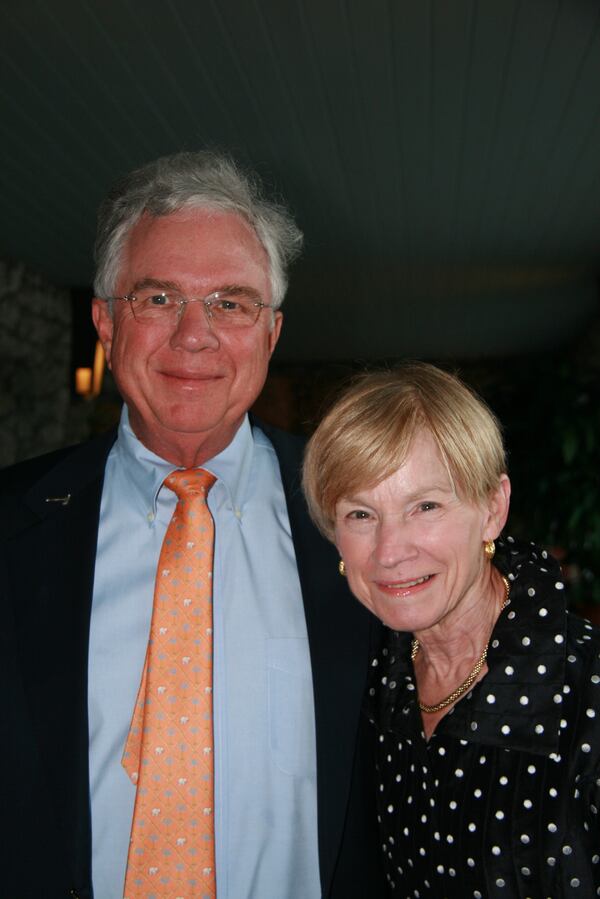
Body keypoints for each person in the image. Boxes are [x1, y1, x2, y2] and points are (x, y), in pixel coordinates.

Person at [0, 152, 385, 898]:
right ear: (106, 321)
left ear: (271, 332)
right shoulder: (11, 526)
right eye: (158, 298)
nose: (194, 335)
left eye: (231, 303)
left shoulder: (360, 516)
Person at [303, 361, 600, 897]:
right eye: (361, 515)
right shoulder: (371, 679)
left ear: (492, 508)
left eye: (426, 506)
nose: (390, 552)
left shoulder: (586, 690)